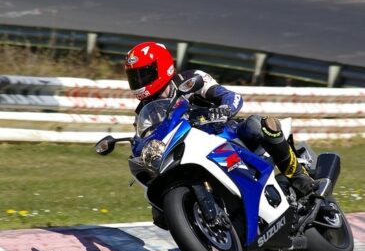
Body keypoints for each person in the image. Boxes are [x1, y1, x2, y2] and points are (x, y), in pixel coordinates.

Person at [124, 42, 315, 226]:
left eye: (145, 74)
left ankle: (299, 176)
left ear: (163, 66)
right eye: (135, 77)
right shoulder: (144, 111)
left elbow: (231, 96)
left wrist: (223, 109)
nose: (140, 81)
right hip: (189, 150)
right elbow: (146, 137)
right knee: (160, 214)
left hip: (224, 133)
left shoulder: (191, 80)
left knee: (257, 125)